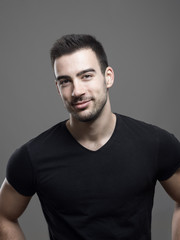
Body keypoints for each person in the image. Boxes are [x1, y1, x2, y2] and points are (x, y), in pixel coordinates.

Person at [0, 34, 180, 240]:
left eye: (86, 76)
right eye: (65, 81)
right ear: (58, 88)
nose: (77, 91)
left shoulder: (155, 143)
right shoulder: (31, 157)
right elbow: (4, 215)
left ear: (108, 77)